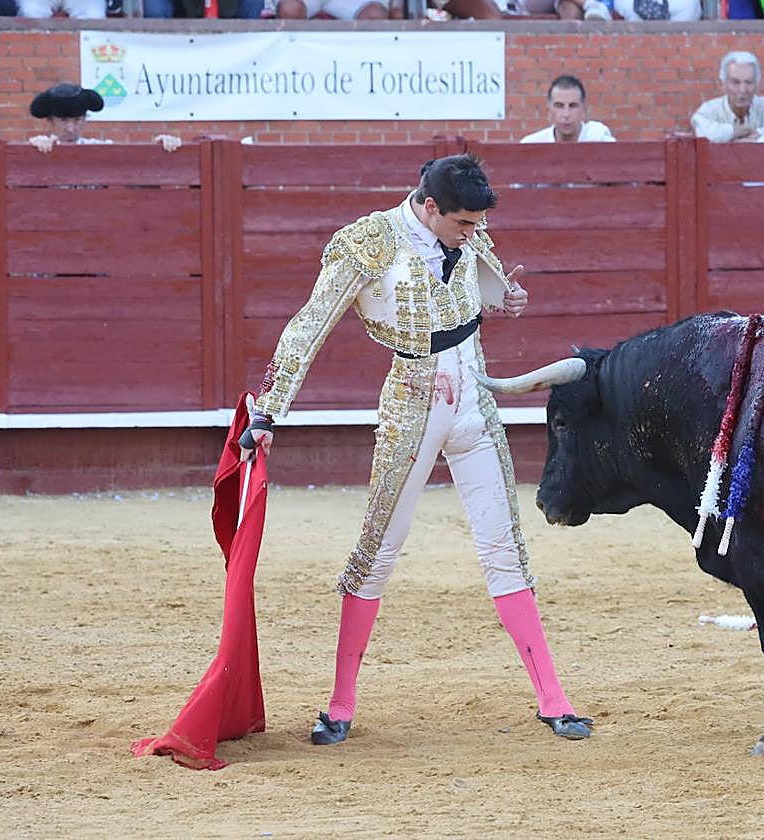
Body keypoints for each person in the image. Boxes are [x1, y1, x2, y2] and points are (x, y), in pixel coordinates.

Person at [242, 154, 593, 745]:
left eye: (480, 223)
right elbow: (311, 324)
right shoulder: (367, 243)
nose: (476, 233)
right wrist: (270, 409)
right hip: (412, 405)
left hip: (475, 399)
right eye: (464, 223)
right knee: (377, 551)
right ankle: (340, 703)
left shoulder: (468, 228)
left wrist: (506, 299)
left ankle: (554, 700)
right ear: (429, 207)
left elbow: (484, 288)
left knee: (505, 546)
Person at [27, 83, 182, 154]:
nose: (71, 129)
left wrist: (160, 148)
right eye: (63, 120)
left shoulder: (101, 148)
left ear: (86, 118)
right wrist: (33, 152)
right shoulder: (39, 146)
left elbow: (139, 170)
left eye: (77, 120)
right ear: (50, 121)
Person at [690, 51, 764, 144]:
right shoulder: (710, 110)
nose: (743, 89)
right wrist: (734, 132)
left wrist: (758, 133)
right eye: (735, 82)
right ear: (723, 84)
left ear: (757, 85)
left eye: (749, 82)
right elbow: (701, 130)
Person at [520, 76, 616, 144]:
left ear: (583, 109)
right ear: (549, 108)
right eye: (559, 106)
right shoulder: (531, 146)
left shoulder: (601, 142)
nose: (566, 114)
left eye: (573, 106)